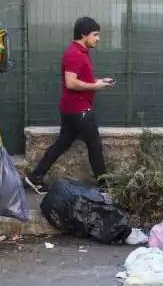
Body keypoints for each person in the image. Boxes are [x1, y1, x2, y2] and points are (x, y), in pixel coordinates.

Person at [25, 17, 113, 193]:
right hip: (79, 111)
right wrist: (95, 86)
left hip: (72, 110)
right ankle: (105, 188)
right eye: (95, 34)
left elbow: (80, 80)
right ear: (83, 34)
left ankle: (35, 177)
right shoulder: (74, 54)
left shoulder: (81, 52)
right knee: (94, 146)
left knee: (61, 145)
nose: (98, 38)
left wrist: (98, 81)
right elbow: (71, 83)